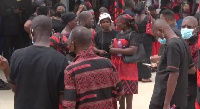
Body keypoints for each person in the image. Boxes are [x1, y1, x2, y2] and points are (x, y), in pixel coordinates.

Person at [9, 15, 69, 109]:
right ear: (51, 32)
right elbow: (63, 96)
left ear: (32, 31)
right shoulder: (61, 60)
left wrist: (5, 68)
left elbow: (14, 88)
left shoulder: (17, 55)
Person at [62, 26, 123, 109]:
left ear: (72, 44)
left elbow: (69, 105)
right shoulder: (108, 63)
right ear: (91, 43)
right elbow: (119, 95)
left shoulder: (71, 70)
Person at [149, 19, 196, 109]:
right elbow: (191, 69)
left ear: (160, 30)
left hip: (163, 98)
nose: (157, 38)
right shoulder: (183, 42)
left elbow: (174, 74)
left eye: (156, 35)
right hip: (179, 98)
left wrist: (167, 102)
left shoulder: (172, 45)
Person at [110, 14, 139, 109]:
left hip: (128, 66)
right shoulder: (119, 33)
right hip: (117, 65)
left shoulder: (132, 34)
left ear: (125, 24)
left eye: (118, 22)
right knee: (120, 91)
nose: (116, 24)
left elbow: (133, 50)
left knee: (129, 92)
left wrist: (116, 50)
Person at [181, 16, 199, 109]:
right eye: (183, 27)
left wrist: (174, 69)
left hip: (193, 86)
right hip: (181, 85)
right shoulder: (182, 42)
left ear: (196, 29)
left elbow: (195, 70)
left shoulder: (197, 45)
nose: (185, 29)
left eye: (189, 27)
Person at [134, 3, 154, 82]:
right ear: (143, 9)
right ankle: (145, 76)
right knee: (147, 56)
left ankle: (138, 75)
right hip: (146, 38)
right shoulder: (148, 17)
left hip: (137, 37)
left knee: (138, 56)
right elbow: (154, 24)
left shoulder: (134, 17)